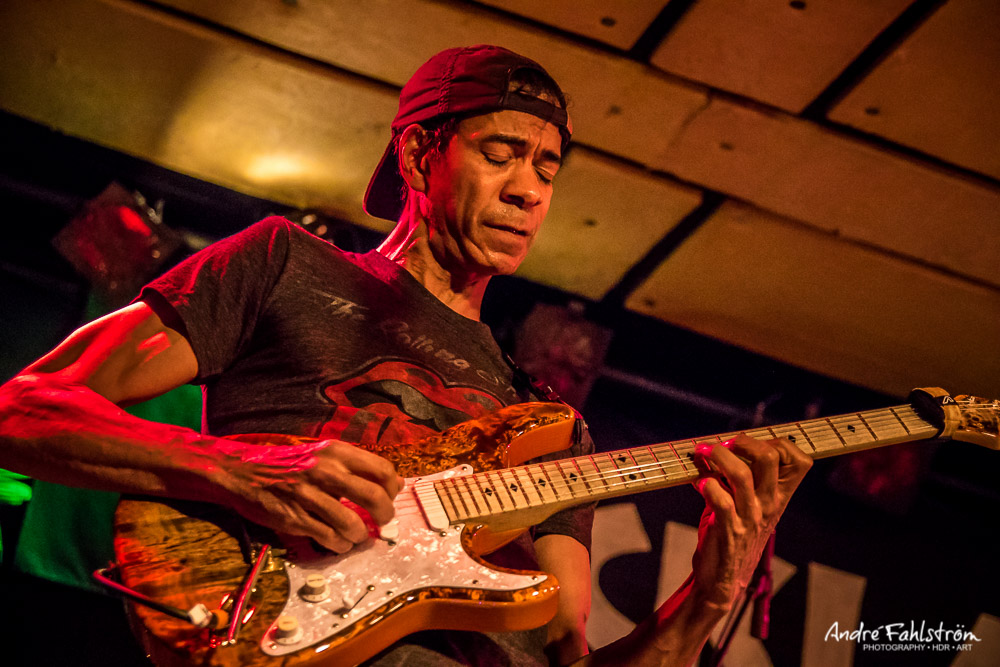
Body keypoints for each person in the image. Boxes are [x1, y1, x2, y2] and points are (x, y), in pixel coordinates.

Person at [0, 45, 811, 665]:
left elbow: (568, 654)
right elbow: (20, 409)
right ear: (421, 154)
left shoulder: (550, 424)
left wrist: (708, 599)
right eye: (501, 153)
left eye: (547, 166)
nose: (530, 189)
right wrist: (240, 469)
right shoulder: (283, 263)